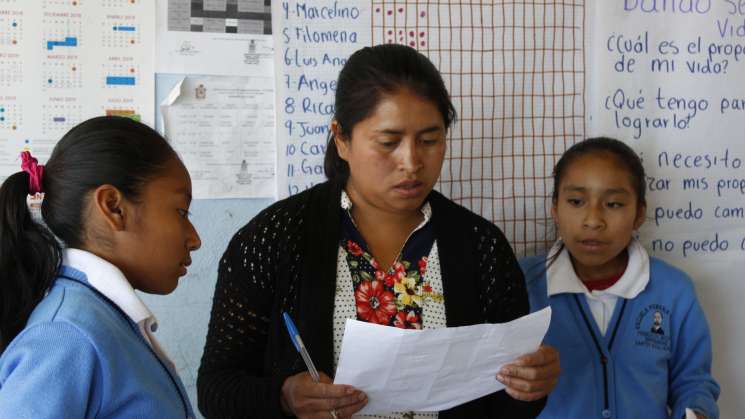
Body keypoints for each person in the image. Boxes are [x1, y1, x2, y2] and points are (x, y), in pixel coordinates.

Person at [198, 44, 559, 419]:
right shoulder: (273, 239)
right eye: (389, 142)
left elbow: (505, 403)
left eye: (430, 140)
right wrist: (283, 397)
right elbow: (215, 391)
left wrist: (529, 387)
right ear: (341, 138)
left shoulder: (481, 246)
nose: (411, 162)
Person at [0, 116, 202, 418]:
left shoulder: (104, 318)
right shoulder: (67, 335)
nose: (194, 239)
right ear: (114, 207)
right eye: (181, 212)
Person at [520, 137, 720, 419]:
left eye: (613, 204)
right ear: (555, 208)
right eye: (576, 201)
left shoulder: (673, 291)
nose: (593, 220)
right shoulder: (521, 283)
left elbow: (693, 383)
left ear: (639, 214)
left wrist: (697, 411)